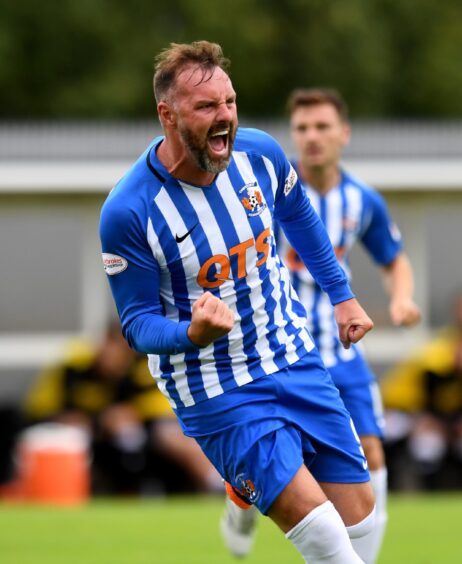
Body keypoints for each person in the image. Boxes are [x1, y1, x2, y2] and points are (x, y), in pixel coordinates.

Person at [100, 41, 376, 563]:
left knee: (359, 518)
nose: (224, 116)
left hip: (291, 355)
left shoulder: (261, 154)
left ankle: (239, 492)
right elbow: (136, 324)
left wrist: (343, 296)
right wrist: (191, 333)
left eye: (229, 102)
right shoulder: (129, 211)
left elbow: (300, 217)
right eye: (206, 107)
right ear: (168, 113)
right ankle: (246, 476)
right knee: (326, 539)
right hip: (214, 385)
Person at [223, 87, 419, 563]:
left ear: (343, 134)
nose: (312, 137)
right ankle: (240, 500)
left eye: (322, 126)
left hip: (341, 352)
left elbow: (393, 259)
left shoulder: (361, 200)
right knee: (269, 467)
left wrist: (402, 298)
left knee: (372, 454)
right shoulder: (262, 186)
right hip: (276, 354)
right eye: (303, 128)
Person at [23, 322, 222, 495]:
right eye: (109, 345)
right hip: (90, 435)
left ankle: (216, 484)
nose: (112, 355)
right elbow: (40, 406)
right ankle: (72, 491)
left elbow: (163, 405)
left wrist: (132, 414)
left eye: (118, 348)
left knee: (170, 434)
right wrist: (71, 419)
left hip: (144, 434)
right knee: (71, 433)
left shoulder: (144, 368)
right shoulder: (74, 370)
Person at [381, 291, 462, 491]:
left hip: (448, 420)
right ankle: (393, 488)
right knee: (425, 443)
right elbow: (416, 398)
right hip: (409, 413)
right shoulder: (437, 352)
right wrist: (428, 420)